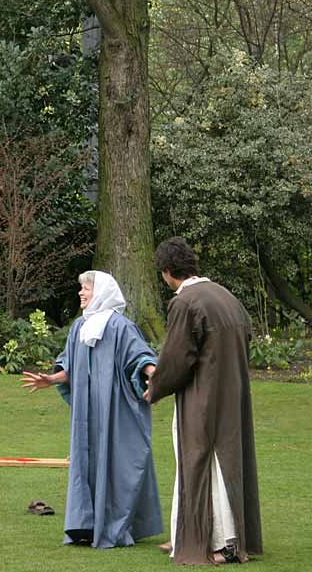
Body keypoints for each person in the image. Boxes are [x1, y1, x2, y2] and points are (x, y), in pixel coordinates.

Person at [21, 270, 162, 548]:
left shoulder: (121, 327)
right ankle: (85, 525)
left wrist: (153, 372)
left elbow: (139, 356)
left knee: (121, 464)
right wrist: (50, 379)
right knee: (86, 464)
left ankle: (118, 527)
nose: (81, 293)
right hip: (87, 414)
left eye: (86, 289)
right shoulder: (79, 327)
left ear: (102, 293)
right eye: (82, 289)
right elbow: (70, 368)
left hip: (117, 412)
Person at [146, 237, 262, 564]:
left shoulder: (186, 303)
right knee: (219, 463)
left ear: (168, 271)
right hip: (232, 394)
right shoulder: (226, 297)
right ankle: (188, 534)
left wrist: (155, 387)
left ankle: (225, 545)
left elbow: (177, 357)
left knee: (203, 463)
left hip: (203, 398)